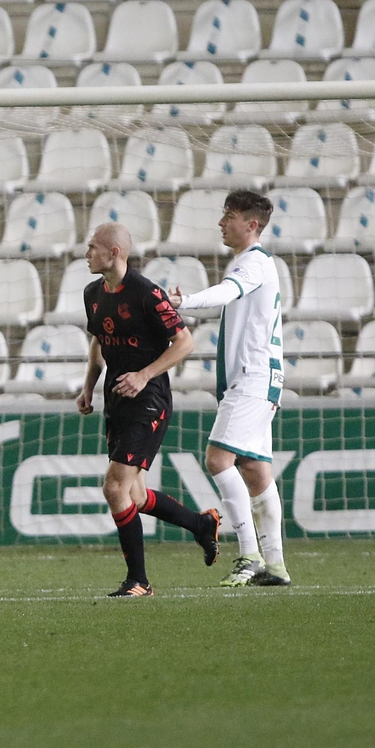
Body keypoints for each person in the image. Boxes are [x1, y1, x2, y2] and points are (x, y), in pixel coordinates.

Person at [75, 223, 221, 597]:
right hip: (116, 399)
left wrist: (144, 375)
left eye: (92, 248)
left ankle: (138, 581)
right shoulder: (92, 293)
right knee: (134, 497)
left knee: (113, 487)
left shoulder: (146, 293)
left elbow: (185, 342)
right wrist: (89, 386)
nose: (86, 254)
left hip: (149, 399)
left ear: (114, 253)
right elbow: (99, 341)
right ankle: (200, 524)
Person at [170, 190, 292, 588]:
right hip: (261, 377)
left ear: (251, 225)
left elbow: (227, 292)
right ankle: (275, 565)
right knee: (255, 470)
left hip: (254, 377)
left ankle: (250, 555)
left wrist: (183, 302)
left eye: (229, 216)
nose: (222, 223)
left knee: (218, 460)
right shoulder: (252, 263)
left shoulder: (254, 262)